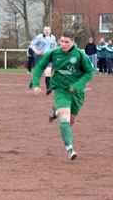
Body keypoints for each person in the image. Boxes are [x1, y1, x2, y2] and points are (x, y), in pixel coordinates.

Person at [32, 31, 94, 160]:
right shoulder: (54, 53)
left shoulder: (80, 55)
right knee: (64, 119)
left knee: (71, 121)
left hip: (77, 93)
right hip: (61, 90)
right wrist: (36, 84)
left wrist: (77, 85)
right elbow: (39, 67)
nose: (63, 44)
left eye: (67, 42)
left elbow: (89, 72)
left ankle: (55, 110)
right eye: (62, 41)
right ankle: (70, 148)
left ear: (73, 42)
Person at [29, 26, 57, 93]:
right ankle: (33, 81)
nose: (47, 31)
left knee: (48, 71)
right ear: (43, 31)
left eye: (48, 30)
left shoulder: (53, 37)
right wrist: (36, 51)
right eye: (45, 30)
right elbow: (32, 45)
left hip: (48, 57)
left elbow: (54, 46)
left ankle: (48, 88)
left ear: (50, 31)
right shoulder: (39, 37)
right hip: (39, 56)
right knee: (39, 72)